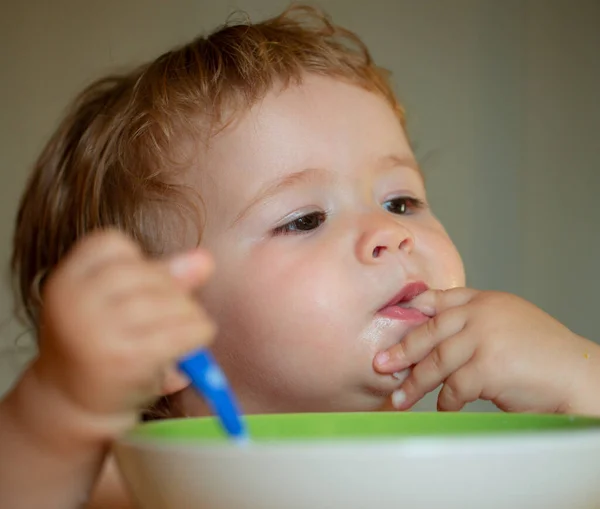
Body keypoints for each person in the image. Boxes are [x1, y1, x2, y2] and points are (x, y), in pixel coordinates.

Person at [1, 5, 598, 509]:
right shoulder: (149, 481)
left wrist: (578, 375)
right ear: (168, 327)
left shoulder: (475, 468)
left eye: (401, 200)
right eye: (305, 219)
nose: (389, 235)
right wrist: (60, 404)